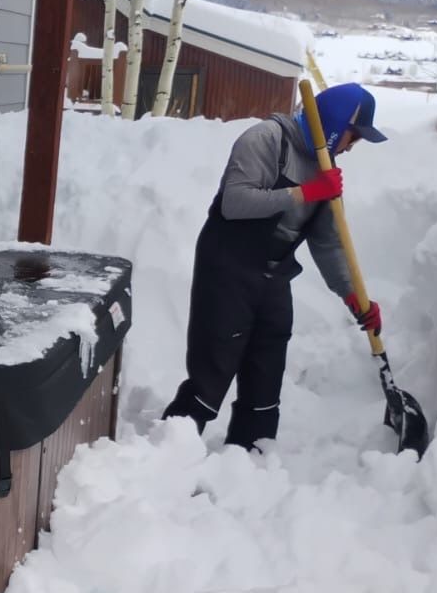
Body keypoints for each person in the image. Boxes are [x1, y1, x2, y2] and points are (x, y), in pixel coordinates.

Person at [162, 83, 388, 450]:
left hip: (274, 275)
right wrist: (305, 192)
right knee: (215, 367)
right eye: (352, 137)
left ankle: (251, 456)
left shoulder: (327, 171)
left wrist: (354, 298)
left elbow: (330, 245)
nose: (351, 147)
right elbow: (234, 202)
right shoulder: (266, 140)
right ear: (334, 125)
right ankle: (167, 455)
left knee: (266, 369)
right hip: (228, 268)